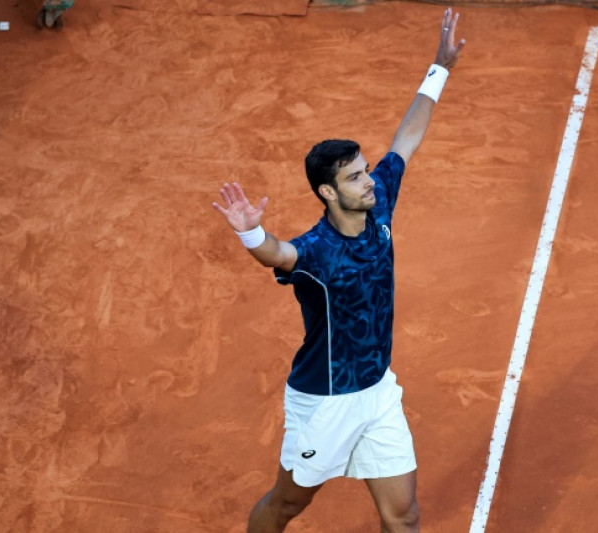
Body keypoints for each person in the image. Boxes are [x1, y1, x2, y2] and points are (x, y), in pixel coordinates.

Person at [211, 8, 466, 533]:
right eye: (355, 177)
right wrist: (249, 232)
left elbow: (405, 141)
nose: (369, 180)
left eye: (365, 170)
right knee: (286, 505)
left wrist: (438, 69)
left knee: (405, 516)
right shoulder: (317, 251)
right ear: (328, 192)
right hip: (324, 402)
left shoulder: (381, 204)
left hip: (377, 392)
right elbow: (278, 255)